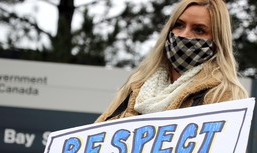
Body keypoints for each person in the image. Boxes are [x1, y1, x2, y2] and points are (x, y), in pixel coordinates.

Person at [96, 0, 248, 123]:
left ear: (216, 42)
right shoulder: (135, 86)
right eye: (179, 25)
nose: (184, 35)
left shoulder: (224, 94)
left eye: (199, 30)